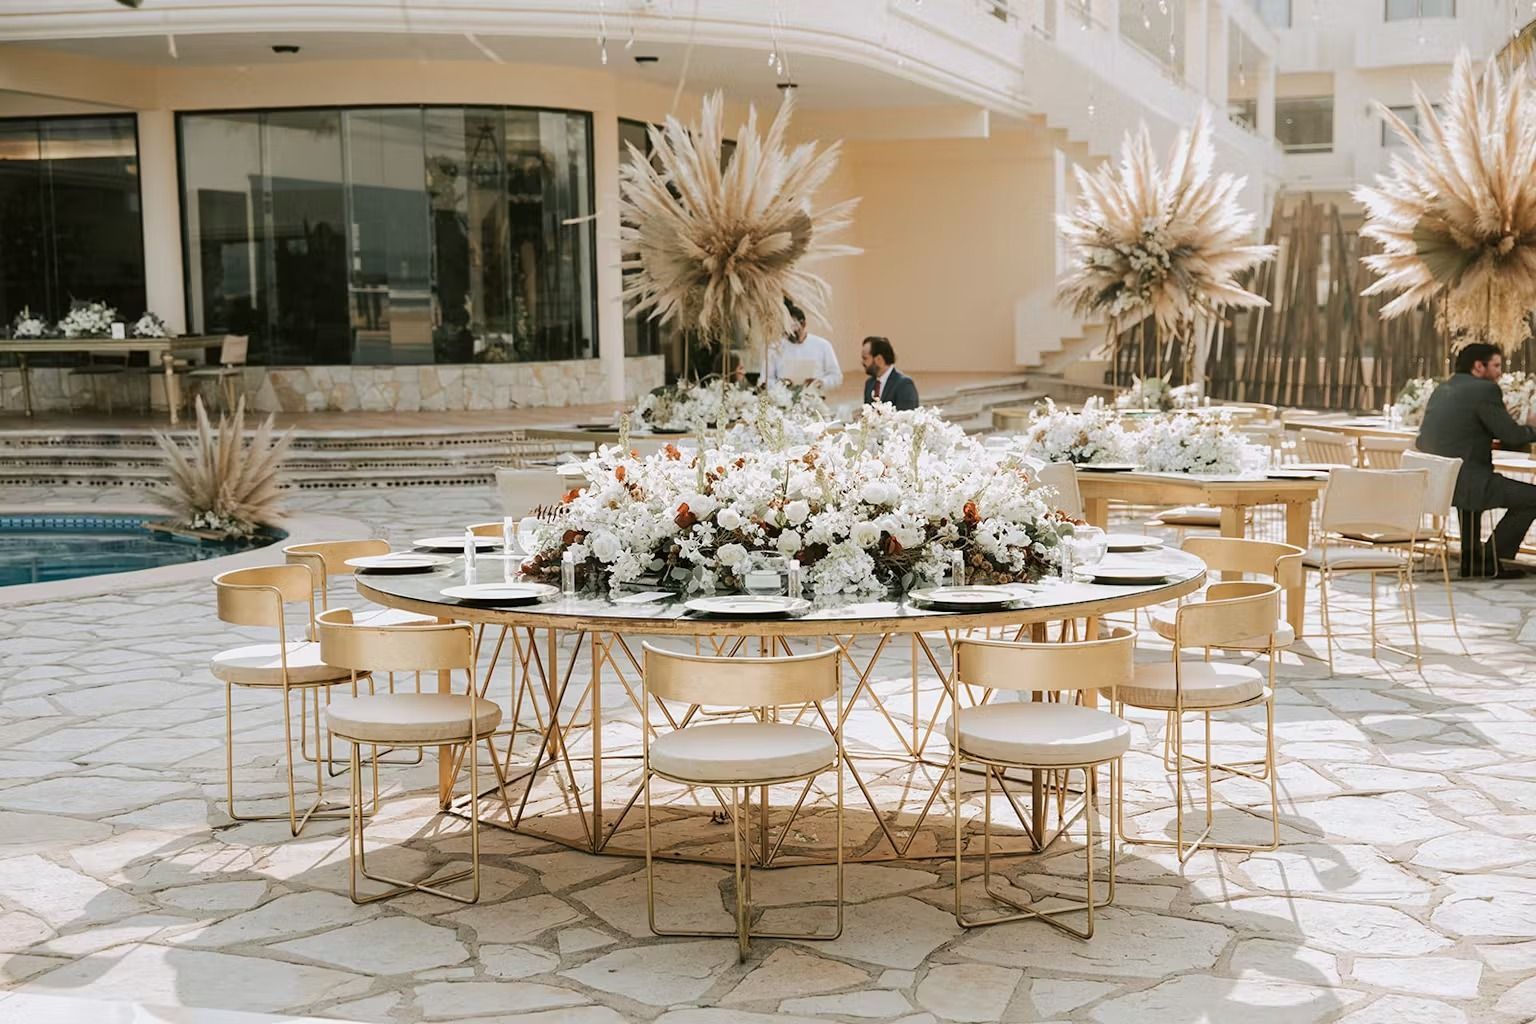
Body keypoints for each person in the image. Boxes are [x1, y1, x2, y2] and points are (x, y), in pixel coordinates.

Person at [1416, 341, 1536, 579]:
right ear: (1478, 366)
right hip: (1468, 481)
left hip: (1440, 480)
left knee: (1473, 483)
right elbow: (1510, 435)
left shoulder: (1444, 388)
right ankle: (1491, 559)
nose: (1500, 371)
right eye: (1496, 365)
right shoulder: (1484, 390)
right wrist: (1532, 427)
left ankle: (1472, 560)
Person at [763, 300, 842, 390]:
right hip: (782, 400)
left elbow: (836, 376)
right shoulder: (774, 348)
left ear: (803, 324)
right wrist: (780, 384)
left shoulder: (823, 345)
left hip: (814, 399)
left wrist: (820, 382)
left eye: (793, 329)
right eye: (786, 330)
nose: (790, 334)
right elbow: (764, 380)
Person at [860, 336, 920, 411]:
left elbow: (907, 418)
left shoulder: (904, 384)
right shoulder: (869, 383)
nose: (862, 362)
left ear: (879, 359)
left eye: (865, 358)